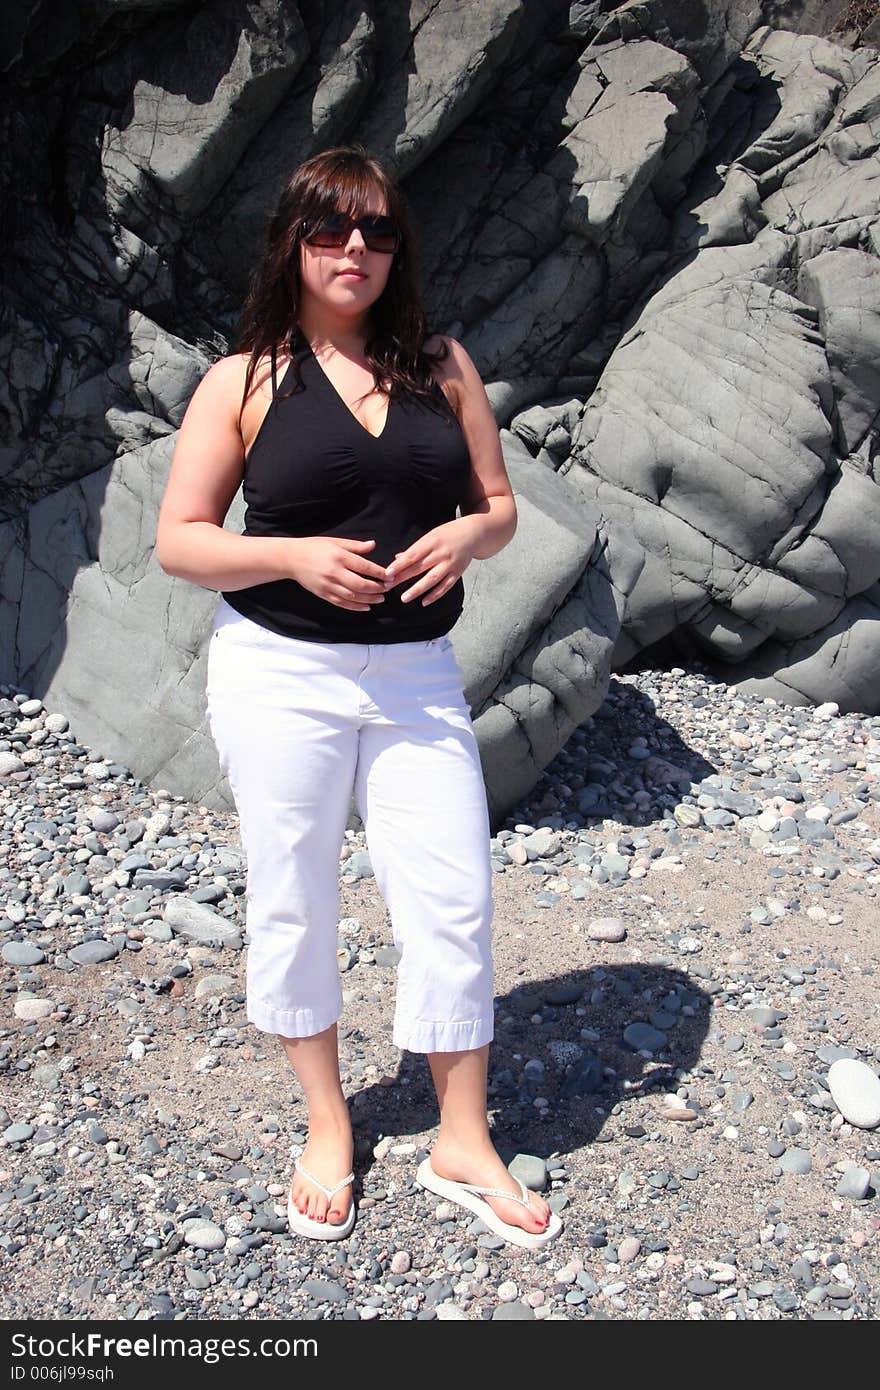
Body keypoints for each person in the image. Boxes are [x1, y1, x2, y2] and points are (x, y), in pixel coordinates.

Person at [155, 144, 562, 1251]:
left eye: (378, 232)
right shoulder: (241, 380)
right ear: (293, 240)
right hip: (281, 669)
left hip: (417, 673)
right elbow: (180, 542)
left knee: (453, 894)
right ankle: (328, 1127)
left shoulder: (443, 363)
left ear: (399, 250)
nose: (356, 250)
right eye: (333, 229)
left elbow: (499, 501)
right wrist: (290, 556)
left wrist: (474, 534)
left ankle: (460, 1138)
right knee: (293, 893)